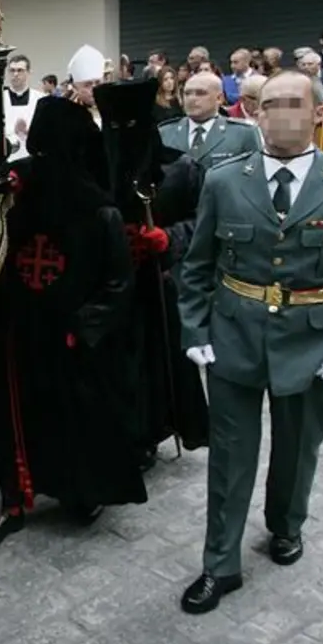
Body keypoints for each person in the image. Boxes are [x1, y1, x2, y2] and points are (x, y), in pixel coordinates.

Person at [176, 70, 323, 614]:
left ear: (319, 113)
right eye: (267, 104)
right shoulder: (226, 180)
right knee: (230, 456)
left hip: (313, 339)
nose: (276, 114)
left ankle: (285, 525)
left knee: (298, 448)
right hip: (233, 335)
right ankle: (220, 563)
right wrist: (195, 329)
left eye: (291, 103)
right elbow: (197, 264)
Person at [0, 95, 146, 549]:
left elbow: (117, 282)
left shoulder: (98, 209)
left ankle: (79, 491)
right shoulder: (15, 201)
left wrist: (83, 327)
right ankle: (13, 501)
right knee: (18, 421)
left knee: (74, 417)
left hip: (72, 339)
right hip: (19, 334)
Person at [96, 79, 211, 463]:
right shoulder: (93, 168)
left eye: (131, 126)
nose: (122, 137)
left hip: (158, 287)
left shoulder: (181, 168)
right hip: (105, 289)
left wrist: (171, 238)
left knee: (154, 365)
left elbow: (207, 222)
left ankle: (152, 430)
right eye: (113, 127)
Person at [159, 71, 261, 170]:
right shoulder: (164, 133)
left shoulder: (243, 133)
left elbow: (254, 176)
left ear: (219, 98)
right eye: (187, 93)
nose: (192, 99)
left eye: (200, 93)